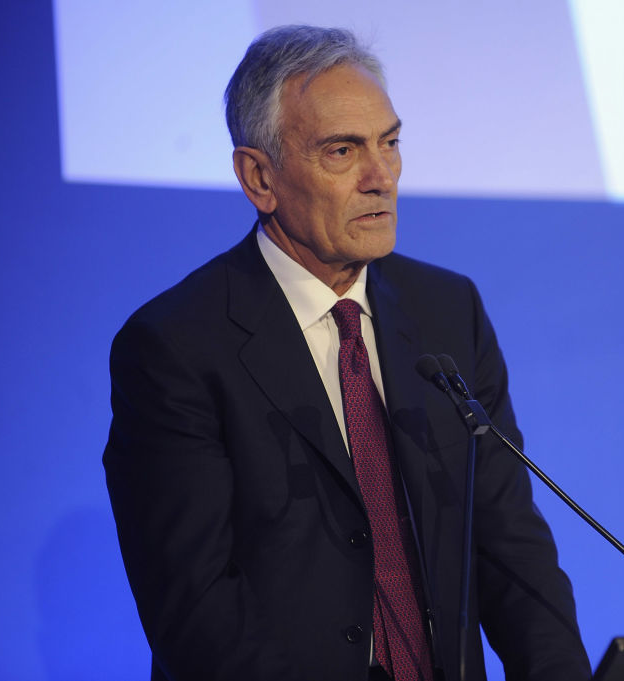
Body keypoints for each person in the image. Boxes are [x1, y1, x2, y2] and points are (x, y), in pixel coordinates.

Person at [103, 25, 590, 681]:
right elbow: (195, 605)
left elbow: (510, 545)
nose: (380, 177)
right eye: (343, 151)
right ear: (259, 177)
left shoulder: (448, 311)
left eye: (390, 143)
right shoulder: (176, 346)